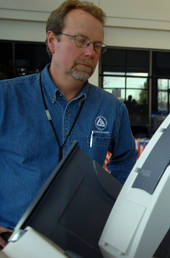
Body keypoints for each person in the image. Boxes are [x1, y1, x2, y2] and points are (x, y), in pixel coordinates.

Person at [0, 0, 137, 248]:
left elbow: (126, 164)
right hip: (12, 242)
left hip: (79, 244)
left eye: (97, 45)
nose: (90, 53)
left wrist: (110, 212)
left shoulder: (111, 108)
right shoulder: (6, 98)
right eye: (81, 41)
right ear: (52, 41)